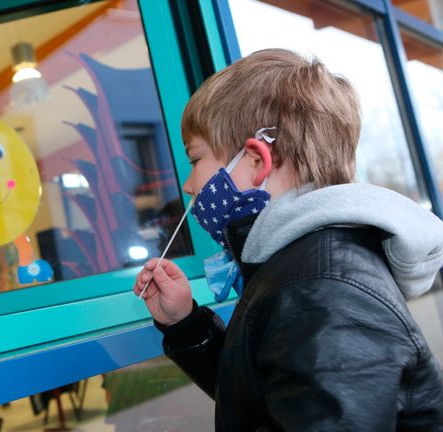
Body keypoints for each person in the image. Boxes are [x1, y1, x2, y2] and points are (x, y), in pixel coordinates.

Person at [133, 48, 443, 430]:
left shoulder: (323, 289)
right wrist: (186, 325)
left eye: (196, 159)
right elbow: (267, 400)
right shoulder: (303, 265)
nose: (188, 184)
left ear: (257, 161)